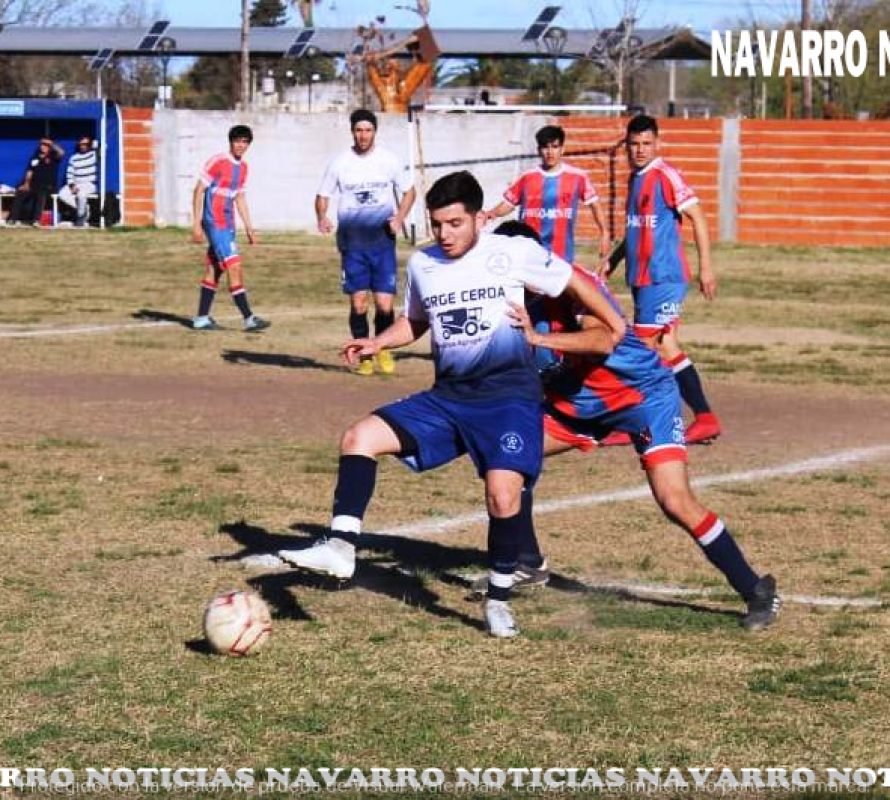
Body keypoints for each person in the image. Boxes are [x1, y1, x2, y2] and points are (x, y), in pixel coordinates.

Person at [279, 171, 625, 638]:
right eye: (437, 224)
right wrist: (377, 342)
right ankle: (341, 546)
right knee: (358, 437)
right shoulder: (423, 265)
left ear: (480, 218)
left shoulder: (513, 252)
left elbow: (572, 279)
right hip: (448, 399)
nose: (445, 234)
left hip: (508, 399)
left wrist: (609, 319)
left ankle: (499, 599)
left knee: (503, 497)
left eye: (455, 224)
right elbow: (415, 322)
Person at [496, 221, 780, 631]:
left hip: (642, 398)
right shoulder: (515, 298)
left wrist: (537, 342)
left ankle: (756, 590)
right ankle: (528, 561)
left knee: (674, 500)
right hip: (578, 404)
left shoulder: (572, 285)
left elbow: (601, 341)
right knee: (509, 457)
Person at [601, 114, 721, 445]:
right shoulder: (634, 180)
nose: (640, 150)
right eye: (634, 144)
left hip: (664, 277)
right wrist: (613, 259)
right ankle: (705, 418)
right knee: (665, 347)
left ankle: (636, 422)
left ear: (658, 143)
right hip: (641, 279)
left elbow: (697, 217)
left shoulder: (666, 175)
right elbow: (635, 230)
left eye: (646, 144)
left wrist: (706, 267)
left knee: (639, 349)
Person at [315, 109, 416, 376]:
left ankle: (381, 349)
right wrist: (322, 216)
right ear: (352, 132)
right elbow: (322, 195)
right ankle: (364, 356)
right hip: (352, 244)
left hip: (383, 243)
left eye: (368, 130)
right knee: (358, 303)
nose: (363, 135)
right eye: (359, 130)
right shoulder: (339, 163)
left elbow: (409, 191)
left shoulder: (389, 160)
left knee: (384, 304)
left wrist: (400, 217)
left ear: (374, 132)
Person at [485, 124, 610, 264]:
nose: (550, 152)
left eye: (555, 147)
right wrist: (491, 213)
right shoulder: (527, 177)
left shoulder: (577, 177)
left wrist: (604, 232)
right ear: (539, 150)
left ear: (562, 149)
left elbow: (595, 204)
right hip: (530, 252)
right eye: (545, 147)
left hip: (562, 255)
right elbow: (509, 203)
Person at [190, 124, 268, 332]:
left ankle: (201, 318)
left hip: (228, 223)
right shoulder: (218, 161)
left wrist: (249, 228)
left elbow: (239, 197)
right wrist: (196, 224)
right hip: (215, 223)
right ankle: (249, 318)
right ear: (230, 141)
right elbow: (198, 191)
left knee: (214, 269)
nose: (241, 145)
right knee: (234, 266)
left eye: (245, 142)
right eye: (237, 141)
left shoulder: (243, 168)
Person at [8, 137, 64, 226]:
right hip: (33, 183)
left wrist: (51, 143)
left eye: (46, 145)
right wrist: (26, 184)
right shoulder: (35, 157)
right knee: (21, 192)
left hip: (48, 185)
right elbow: (30, 171)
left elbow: (61, 153)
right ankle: (12, 218)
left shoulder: (54, 156)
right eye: (42, 144)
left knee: (41, 193)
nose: (43, 147)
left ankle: (36, 220)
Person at [58, 135, 97, 227]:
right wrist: (72, 185)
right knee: (62, 194)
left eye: (86, 144)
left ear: (90, 145)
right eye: (81, 144)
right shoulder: (74, 157)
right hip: (77, 183)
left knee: (81, 195)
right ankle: (83, 210)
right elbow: (70, 173)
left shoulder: (94, 155)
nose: (83, 146)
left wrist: (95, 145)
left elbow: (103, 149)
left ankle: (81, 219)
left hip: (89, 183)